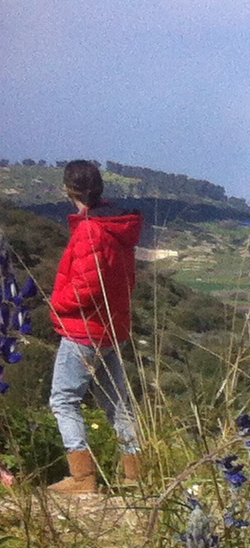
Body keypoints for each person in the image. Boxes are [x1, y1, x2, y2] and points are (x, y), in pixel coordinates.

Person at [47, 159, 146, 495]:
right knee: (117, 403)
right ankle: (134, 474)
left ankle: (82, 477)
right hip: (112, 328)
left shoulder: (90, 230)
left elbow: (86, 287)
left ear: (68, 189)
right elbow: (125, 280)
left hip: (84, 329)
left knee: (64, 400)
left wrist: (56, 304)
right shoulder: (117, 226)